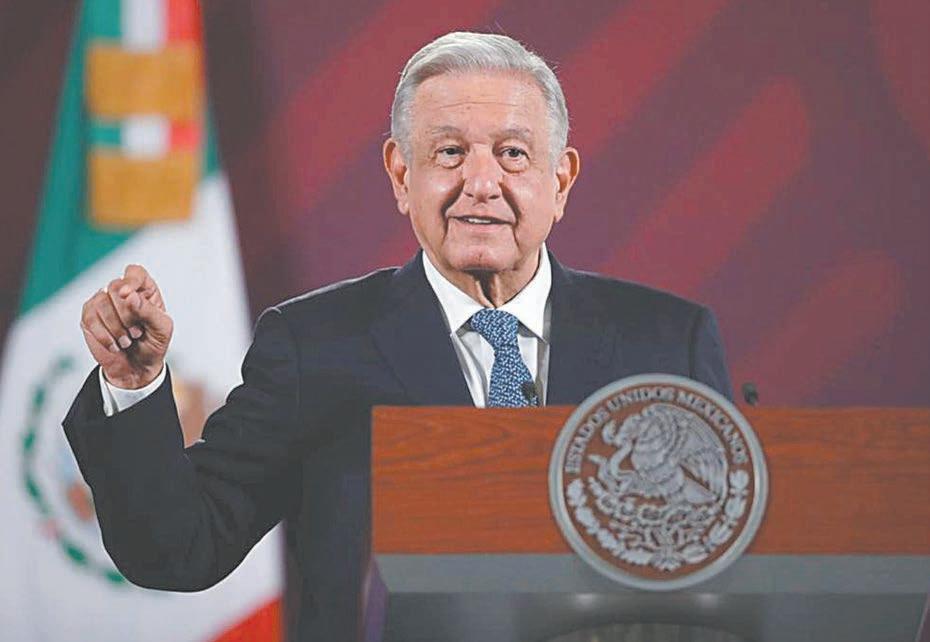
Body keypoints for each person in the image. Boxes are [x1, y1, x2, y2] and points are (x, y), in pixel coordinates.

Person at [64, 32, 732, 641]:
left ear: (559, 181)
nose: (481, 183)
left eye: (512, 154)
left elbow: (732, 573)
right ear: (401, 175)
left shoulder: (667, 344)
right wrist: (134, 384)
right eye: (449, 152)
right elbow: (178, 549)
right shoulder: (313, 345)